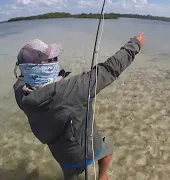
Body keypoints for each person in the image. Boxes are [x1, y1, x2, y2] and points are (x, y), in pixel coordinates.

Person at [13, 33, 145, 180]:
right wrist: (134, 44)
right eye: (52, 59)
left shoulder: (20, 92)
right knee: (107, 147)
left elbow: (24, 78)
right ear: (43, 68)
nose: (56, 61)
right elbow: (108, 70)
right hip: (85, 149)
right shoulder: (71, 91)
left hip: (61, 153)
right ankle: (103, 176)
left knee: (71, 175)